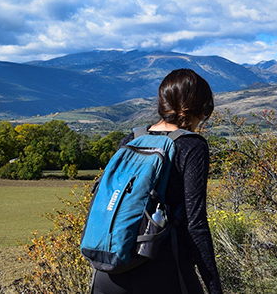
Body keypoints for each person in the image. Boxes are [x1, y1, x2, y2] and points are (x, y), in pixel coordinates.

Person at [91, 68, 223, 294]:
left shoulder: (132, 139)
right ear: (200, 107)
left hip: (108, 271)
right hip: (163, 269)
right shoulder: (192, 146)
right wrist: (214, 287)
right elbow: (196, 224)